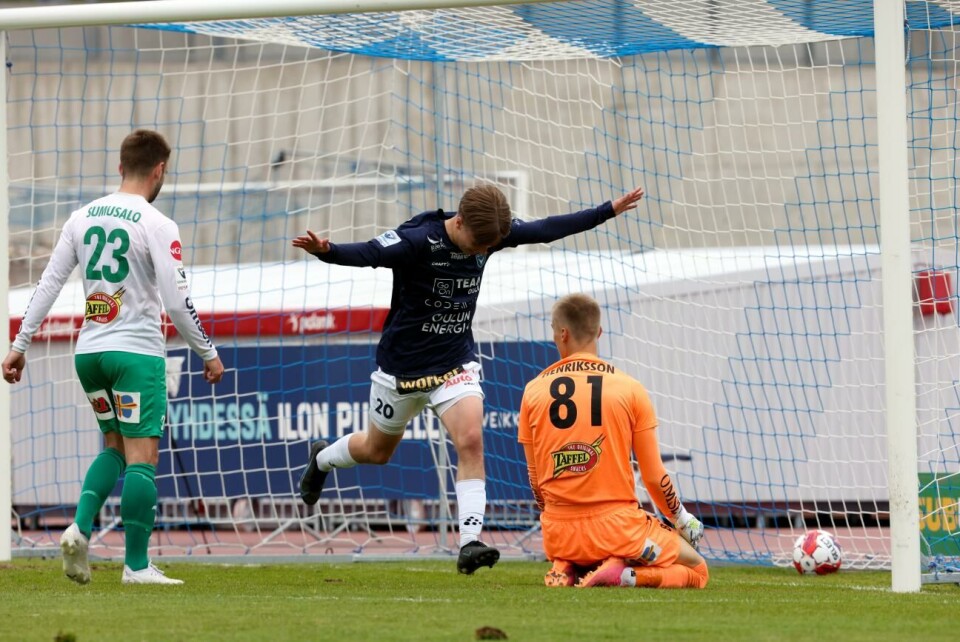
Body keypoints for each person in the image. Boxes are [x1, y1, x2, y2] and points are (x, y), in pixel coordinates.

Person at [293, 184, 645, 574]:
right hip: (401, 369)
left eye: (488, 247)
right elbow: (371, 253)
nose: (481, 252)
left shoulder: (492, 232)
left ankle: (469, 543)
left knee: (472, 440)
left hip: (454, 364)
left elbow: (547, 228)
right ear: (458, 222)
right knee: (377, 451)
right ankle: (322, 459)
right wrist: (327, 252)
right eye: (477, 245)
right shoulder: (415, 240)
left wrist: (607, 210)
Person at [2, 129, 224, 585]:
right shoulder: (158, 224)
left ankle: (79, 529)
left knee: (115, 448)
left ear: (120, 166)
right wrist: (208, 352)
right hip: (136, 353)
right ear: (159, 170)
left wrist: (19, 345)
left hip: (90, 354)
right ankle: (137, 566)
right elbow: (177, 301)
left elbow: (47, 285)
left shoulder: (81, 217)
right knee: (143, 458)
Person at [517, 293, 708, 588]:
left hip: (558, 534)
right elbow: (655, 478)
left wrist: (556, 517)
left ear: (563, 333)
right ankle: (627, 576)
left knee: (584, 546)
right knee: (698, 571)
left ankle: (566, 566)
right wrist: (683, 520)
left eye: (554, 330)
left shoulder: (533, 390)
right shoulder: (629, 388)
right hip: (617, 528)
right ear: (599, 333)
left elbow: (535, 479)